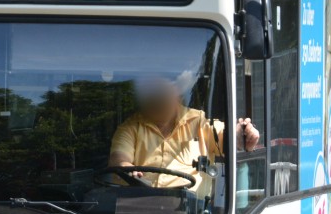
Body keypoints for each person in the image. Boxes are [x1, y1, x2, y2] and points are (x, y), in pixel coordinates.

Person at [108, 76, 259, 198]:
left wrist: (242, 135)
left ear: (177, 97)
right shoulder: (131, 127)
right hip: (142, 208)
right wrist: (126, 168)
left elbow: (227, 137)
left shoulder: (199, 122)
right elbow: (119, 158)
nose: (159, 101)